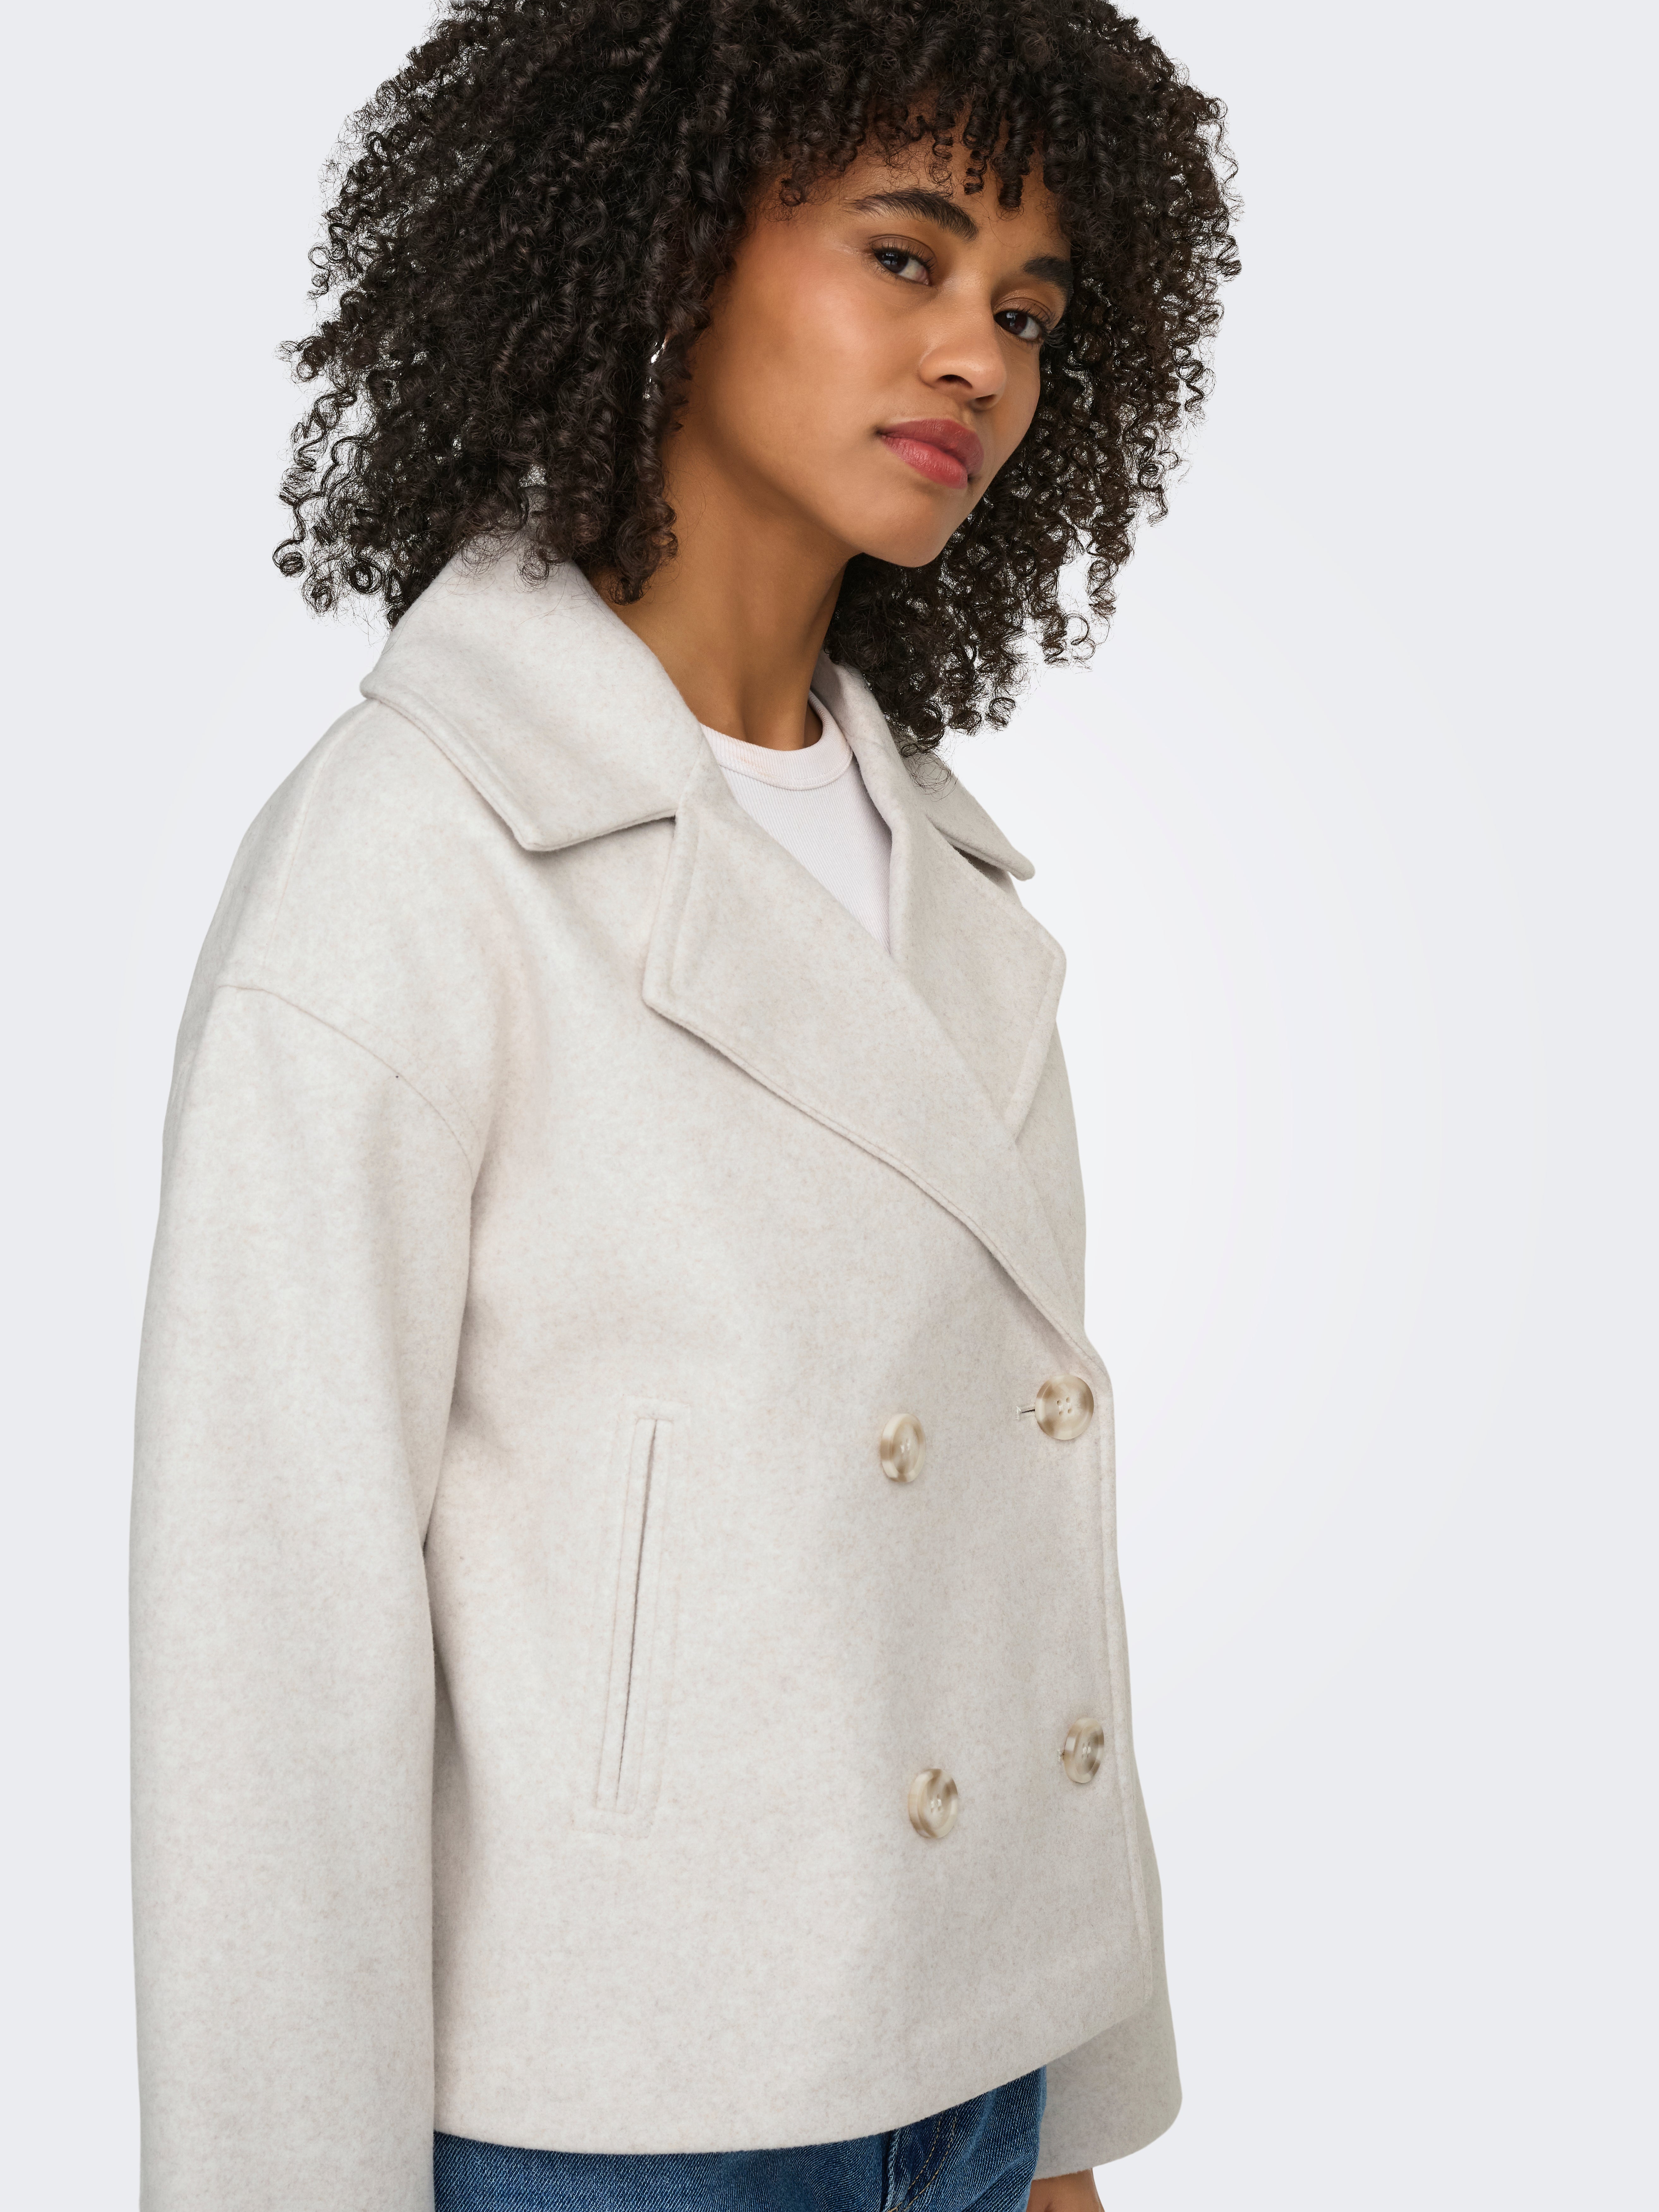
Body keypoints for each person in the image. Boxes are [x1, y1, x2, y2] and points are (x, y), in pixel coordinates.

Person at [130, 4, 1237, 2208]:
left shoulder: (948, 873)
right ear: (671, 237)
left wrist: (1067, 2106)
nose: (979, 357)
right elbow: (268, 1649)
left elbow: (1019, 1525)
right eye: (904, 256)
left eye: (1028, 310)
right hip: (616, 2125)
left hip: (974, 2081)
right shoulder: (411, 857)